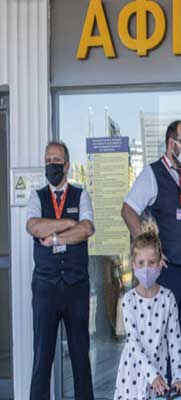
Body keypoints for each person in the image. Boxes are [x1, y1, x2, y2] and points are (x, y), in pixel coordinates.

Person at [121, 120, 181, 389]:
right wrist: (150, 248)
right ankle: (162, 391)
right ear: (170, 143)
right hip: (168, 272)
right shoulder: (152, 174)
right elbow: (128, 210)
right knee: (165, 337)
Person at [26, 141, 95, 400]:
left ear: (66, 165)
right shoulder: (37, 196)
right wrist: (67, 223)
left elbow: (87, 229)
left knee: (80, 357)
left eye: (56, 160)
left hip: (76, 287)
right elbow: (34, 227)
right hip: (45, 288)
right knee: (42, 358)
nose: (51, 165)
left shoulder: (81, 194)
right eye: (48, 160)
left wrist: (54, 237)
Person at [114, 224, 181, 399]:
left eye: (151, 262)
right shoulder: (129, 300)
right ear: (134, 265)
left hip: (159, 372)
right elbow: (134, 342)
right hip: (132, 373)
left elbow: (175, 340)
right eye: (141, 263)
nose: (146, 268)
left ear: (160, 264)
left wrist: (177, 377)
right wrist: (151, 375)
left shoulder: (167, 298)